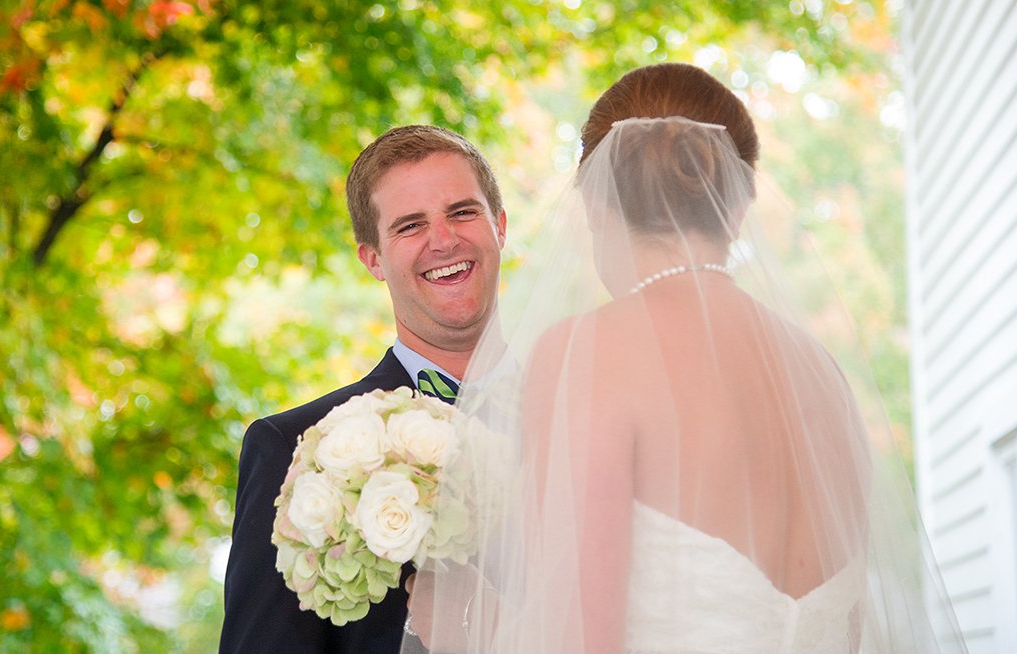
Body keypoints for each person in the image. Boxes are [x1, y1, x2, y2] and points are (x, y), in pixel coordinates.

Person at [403, 63, 967, 653]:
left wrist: (466, 623)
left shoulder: (590, 352)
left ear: (596, 205)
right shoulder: (823, 373)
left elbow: (576, 641)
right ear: (740, 205)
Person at [219, 125, 507, 654]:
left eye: (462, 212)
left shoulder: (590, 411)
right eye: (410, 225)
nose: (443, 240)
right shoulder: (293, 448)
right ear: (372, 258)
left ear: (500, 226)